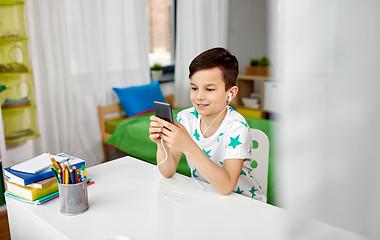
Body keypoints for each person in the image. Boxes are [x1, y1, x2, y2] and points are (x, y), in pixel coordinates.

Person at [149, 47, 265, 201]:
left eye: (209, 89)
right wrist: (161, 144)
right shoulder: (186, 118)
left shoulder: (237, 128)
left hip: (243, 202)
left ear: (231, 93)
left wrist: (188, 146)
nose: (199, 96)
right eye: (194, 88)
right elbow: (167, 171)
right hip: (208, 196)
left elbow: (226, 187)